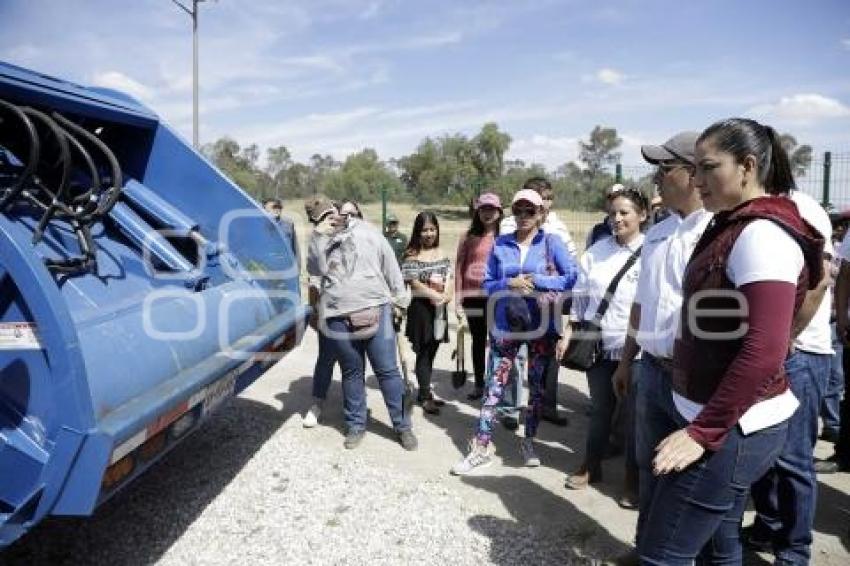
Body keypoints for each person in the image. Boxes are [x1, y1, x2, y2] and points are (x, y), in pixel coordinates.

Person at [638, 118, 824, 564]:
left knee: (662, 554)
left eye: (707, 168)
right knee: (718, 545)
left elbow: (764, 349)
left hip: (732, 427)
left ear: (747, 165)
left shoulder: (761, 234)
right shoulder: (733, 223)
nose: (697, 179)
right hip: (715, 414)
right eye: (695, 169)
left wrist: (703, 432)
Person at [608, 131, 710, 561]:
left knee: (693, 479)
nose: (657, 178)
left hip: (697, 381)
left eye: (665, 169)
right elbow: (641, 304)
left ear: (693, 173)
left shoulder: (719, 231)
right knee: (651, 470)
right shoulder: (659, 233)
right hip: (651, 370)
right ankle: (644, 545)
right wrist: (626, 361)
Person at [451, 189, 578, 475]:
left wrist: (538, 281)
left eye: (529, 211)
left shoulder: (552, 242)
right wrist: (510, 284)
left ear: (540, 214)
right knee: (494, 386)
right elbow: (487, 283)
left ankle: (529, 441)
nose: (522, 216)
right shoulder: (501, 244)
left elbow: (571, 276)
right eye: (518, 210)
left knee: (535, 387)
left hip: (540, 326)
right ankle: (481, 446)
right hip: (505, 325)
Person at [743, 187, 834, 565]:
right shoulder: (755, 209)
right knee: (764, 452)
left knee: (794, 461)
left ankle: (794, 551)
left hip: (801, 354)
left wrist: (786, 337)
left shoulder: (803, 208)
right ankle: (768, 524)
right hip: (770, 352)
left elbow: (821, 279)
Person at [305, 194, 418, 451]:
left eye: (350, 213)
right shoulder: (324, 238)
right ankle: (355, 425)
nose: (344, 217)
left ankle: (403, 427)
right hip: (337, 316)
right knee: (351, 372)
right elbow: (313, 270)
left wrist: (400, 302)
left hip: (375, 310)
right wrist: (319, 237)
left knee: (388, 372)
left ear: (358, 215)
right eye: (338, 213)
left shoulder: (371, 234)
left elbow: (390, 265)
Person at [564, 188, 647, 494]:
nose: (617, 218)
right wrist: (570, 332)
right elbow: (581, 298)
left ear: (642, 215)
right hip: (599, 345)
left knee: (636, 414)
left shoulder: (653, 250)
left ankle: (632, 477)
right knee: (601, 409)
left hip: (637, 349)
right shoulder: (597, 251)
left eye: (625, 212)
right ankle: (591, 464)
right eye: (613, 213)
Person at [500, 176, 577, 427]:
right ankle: (511, 408)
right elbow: (500, 267)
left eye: (547, 197)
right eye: (538, 197)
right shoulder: (507, 228)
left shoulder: (558, 230)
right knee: (513, 360)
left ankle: (544, 407)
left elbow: (570, 268)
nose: (544, 202)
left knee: (546, 360)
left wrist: (546, 282)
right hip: (514, 306)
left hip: (547, 304)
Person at [401, 211, 453, 414]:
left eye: (432, 229)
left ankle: (424, 391)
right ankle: (424, 396)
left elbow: (449, 277)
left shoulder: (441, 252)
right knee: (423, 353)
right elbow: (412, 282)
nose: (429, 234)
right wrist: (433, 294)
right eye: (424, 230)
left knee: (432, 351)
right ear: (417, 231)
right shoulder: (411, 254)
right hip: (421, 310)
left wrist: (447, 295)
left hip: (439, 309)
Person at [455, 192, 503, 401]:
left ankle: (496, 383)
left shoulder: (505, 238)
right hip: (472, 297)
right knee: (477, 339)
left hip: (497, 297)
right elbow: (459, 267)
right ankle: (479, 384)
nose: (487, 213)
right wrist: (458, 297)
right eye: (483, 209)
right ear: (478, 212)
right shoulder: (468, 236)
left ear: (499, 212)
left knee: (497, 341)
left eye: (492, 209)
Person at [303, 200, 342, 428]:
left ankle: (354, 408)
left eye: (333, 216)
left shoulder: (348, 237)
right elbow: (314, 275)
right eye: (324, 218)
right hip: (327, 309)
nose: (331, 221)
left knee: (352, 362)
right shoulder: (317, 242)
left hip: (352, 308)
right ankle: (317, 402)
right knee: (326, 358)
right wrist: (314, 311)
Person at [263, 197, 301, 270]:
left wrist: (298, 268)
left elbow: (295, 248)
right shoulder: (261, 225)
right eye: (274, 207)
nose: (277, 209)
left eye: (279, 207)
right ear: (265, 209)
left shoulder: (289, 223)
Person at [585, 183, 624, 249]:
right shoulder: (596, 232)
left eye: (621, 198)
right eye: (611, 198)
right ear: (606, 203)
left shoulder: (637, 230)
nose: (616, 202)